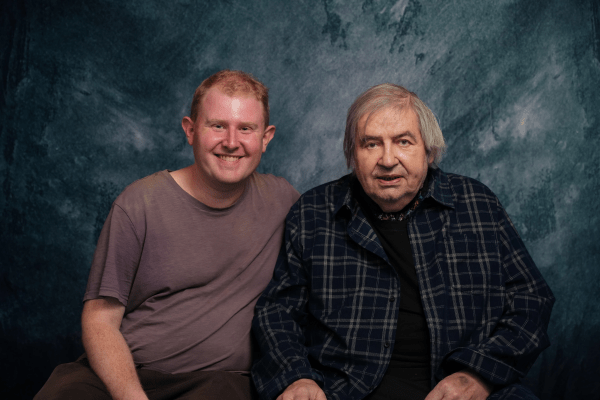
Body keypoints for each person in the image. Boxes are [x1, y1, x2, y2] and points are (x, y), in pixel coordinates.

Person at [251, 83, 554, 400]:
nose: (387, 159)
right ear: (352, 154)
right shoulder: (313, 213)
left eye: (403, 142)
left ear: (429, 150)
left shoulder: (477, 205)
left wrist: (479, 375)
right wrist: (297, 378)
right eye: (371, 144)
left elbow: (531, 299)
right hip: (342, 392)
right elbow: (278, 313)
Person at [35, 70, 300, 400]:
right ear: (190, 130)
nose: (231, 142)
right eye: (217, 126)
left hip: (217, 384)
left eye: (245, 128)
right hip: (126, 372)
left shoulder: (285, 202)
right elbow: (100, 319)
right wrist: (132, 397)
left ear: (266, 137)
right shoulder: (139, 204)